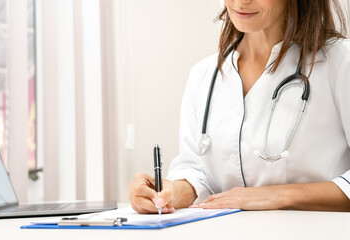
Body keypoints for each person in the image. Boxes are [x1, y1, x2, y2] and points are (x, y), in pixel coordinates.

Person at [129, 0, 350, 213]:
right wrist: (170, 192)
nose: (241, 1)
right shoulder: (204, 75)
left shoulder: (340, 62)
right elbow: (197, 171)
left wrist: (275, 196)